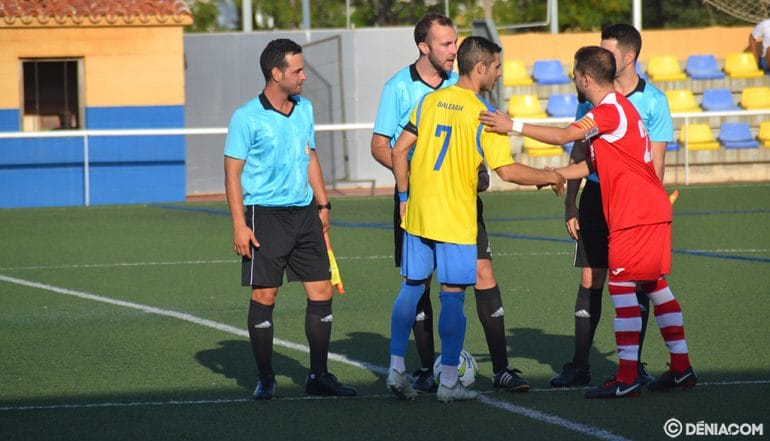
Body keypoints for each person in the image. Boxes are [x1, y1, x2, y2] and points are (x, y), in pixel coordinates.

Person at [480, 45, 697, 399]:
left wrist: (512, 124)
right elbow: (592, 166)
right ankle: (681, 368)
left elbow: (565, 136)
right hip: (648, 210)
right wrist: (551, 175)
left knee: (623, 289)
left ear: (584, 78)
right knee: (655, 286)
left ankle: (627, 378)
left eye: (574, 75)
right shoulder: (616, 110)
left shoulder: (609, 110)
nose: (573, 80)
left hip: (635, 215)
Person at [386, 36, 565, 402]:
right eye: (497, 67)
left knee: (411, 288)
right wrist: (550, 177)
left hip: (419, 213)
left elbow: (398, 149)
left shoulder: (429, 100)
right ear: (480, 67)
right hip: (455, 218)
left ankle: (395, 368)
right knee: (452, 297)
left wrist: (404, 196)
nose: (499, 73)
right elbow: (508, 171)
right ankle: (449, 382)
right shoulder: (483, 114)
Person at [371, 12, 531, 395]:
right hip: (423, 201)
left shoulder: (455, 85)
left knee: (480, 274)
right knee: (426, 286)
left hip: (452, 201)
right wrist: (415, 182)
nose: (452, 49)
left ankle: (500, 368)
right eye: (444, 43)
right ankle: (436, 372)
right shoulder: (399, 88)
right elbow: (382, 146)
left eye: (455, 42)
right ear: (423, 47)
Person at [224, 38, 356, 400]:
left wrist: (323, 203)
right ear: (276, 73)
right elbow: (232, 174)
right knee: (266, 295)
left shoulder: (305, 109)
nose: (303, 77)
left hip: (305, 215)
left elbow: (309, 154)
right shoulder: (246, 117)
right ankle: (266, 378)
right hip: (264, 216)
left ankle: (318, 376)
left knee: (322, 291)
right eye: (297, 70)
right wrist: (239, 224)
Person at [550, 23, 674, 388]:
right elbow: (578, 149)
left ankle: (632, 367)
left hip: (631, 206)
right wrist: (570, 202)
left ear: (629, 57)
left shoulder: (654, 101)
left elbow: (658, 162)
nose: (602, 56)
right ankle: (580, 365)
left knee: (640, 282)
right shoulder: (590, 97)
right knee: (591, 277)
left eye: (609, 51)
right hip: (594, 196)